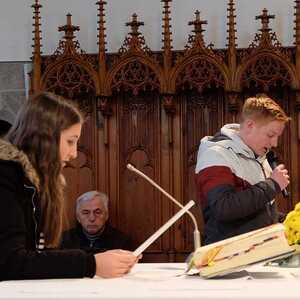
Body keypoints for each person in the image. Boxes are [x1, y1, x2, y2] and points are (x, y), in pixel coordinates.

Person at [0, 92, 139, 281]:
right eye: (70, 141)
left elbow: (37, 253)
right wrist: (92, 264)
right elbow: (10, 261)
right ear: (45, 137)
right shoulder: (5, 176)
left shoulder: (34, 182)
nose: (74, 153)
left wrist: (104, 260)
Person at [195, 94, 290, 245]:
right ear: (250, 125)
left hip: (256, 253)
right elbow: (224, 208)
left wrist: (289, 221)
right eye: (271, 135)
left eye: (277, 136)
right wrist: (272, 184)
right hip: (227, 258)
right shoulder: (216, 153)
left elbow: (254, 211)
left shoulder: (260, 157)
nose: (275, 143)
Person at [61, 191, 132, 253]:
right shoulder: (64, 240)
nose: (92, 218)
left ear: (106, 215)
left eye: (97, 212)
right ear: (78, 217)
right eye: (86, 213)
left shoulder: (122, 242)